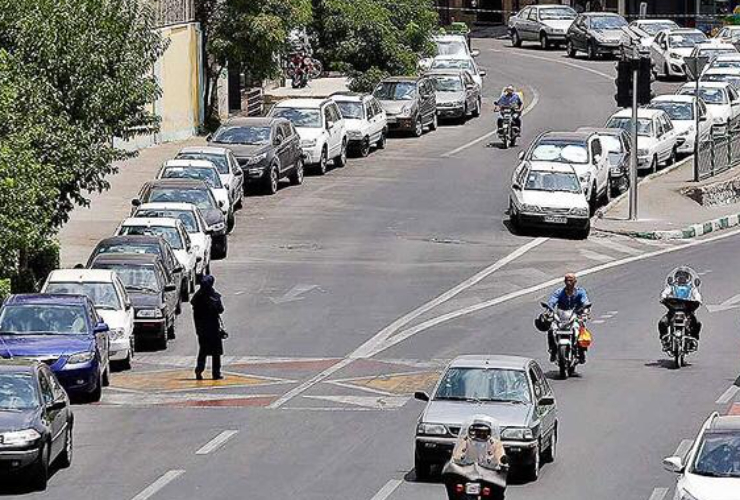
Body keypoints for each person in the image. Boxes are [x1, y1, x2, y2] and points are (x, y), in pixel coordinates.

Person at [442, 415, 507, 500]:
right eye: (477, 431)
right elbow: (457, 455)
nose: (480, 434)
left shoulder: (495, 443)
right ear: (471, 431)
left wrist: (502, 461)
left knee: (498, 490)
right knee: (451, 479)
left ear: (489, 432)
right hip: (467, 472)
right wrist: (459, 458)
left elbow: (501, 456)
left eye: (484, 432)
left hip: (488, 473)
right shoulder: (465, 441)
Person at [544, 273, 591, 362]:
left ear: (575, 282)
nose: (569, 283)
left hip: (575, 315)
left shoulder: (580, 292)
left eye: (571, 281)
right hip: (561, 316)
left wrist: (586, 311)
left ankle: (581, 353)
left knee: (580, 330)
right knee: (551, 330)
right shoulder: (559, 292)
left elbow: (585, 302)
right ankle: (553, 351)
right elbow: (552, 302)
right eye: (567, 281)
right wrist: (548, 311)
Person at [191, 274, 226, 380]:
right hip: (212, 329)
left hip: (201, 330)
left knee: (203, 351)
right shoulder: (213, 296)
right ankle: (216, 373)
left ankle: (199, 370)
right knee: (216, 352)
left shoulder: (197, 297)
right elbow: (220, 309)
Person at [658, 267, 702, 347]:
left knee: (697, 324)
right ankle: (665, 340)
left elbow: (697, 295)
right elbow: (665, 293)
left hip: (687, 311)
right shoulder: (672, 287)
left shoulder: (692, 288)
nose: (682, 277)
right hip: (673, 310)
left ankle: (693, 340)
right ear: (676, 277)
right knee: (662, 322)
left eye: (684, 275)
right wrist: (663, 297)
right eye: (680, 275)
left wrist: (698, 300)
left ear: (688, 277)